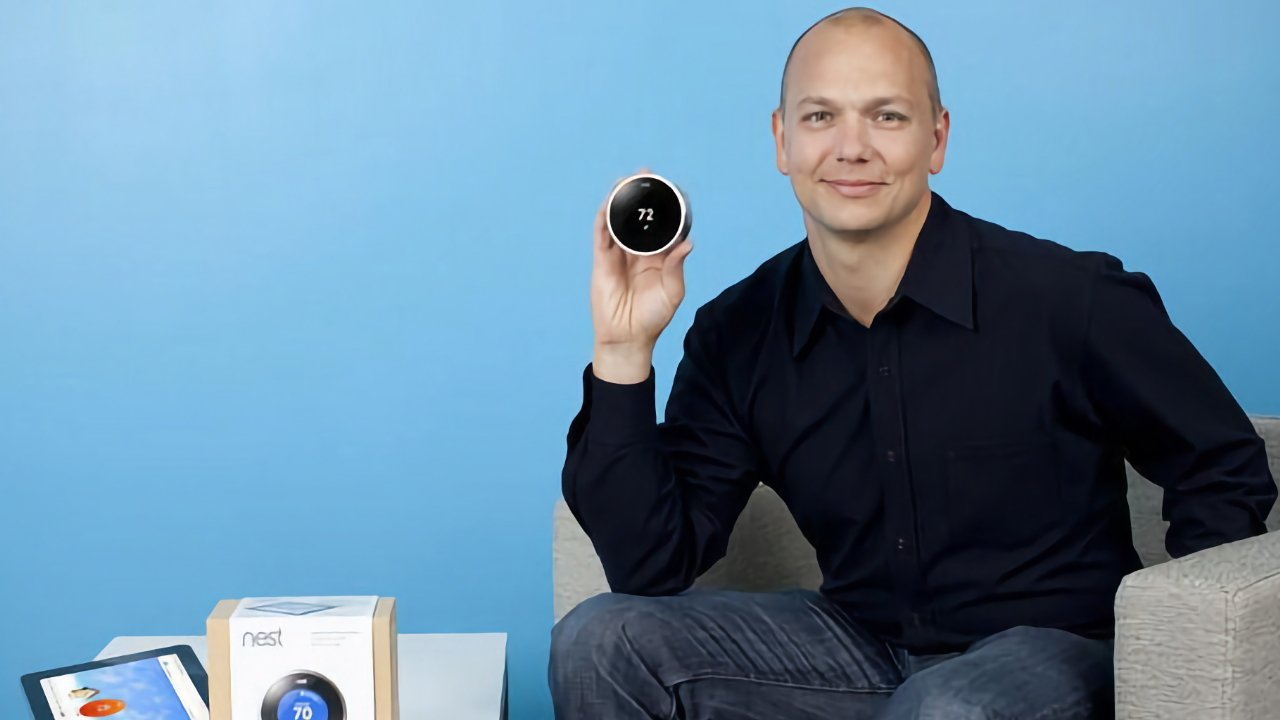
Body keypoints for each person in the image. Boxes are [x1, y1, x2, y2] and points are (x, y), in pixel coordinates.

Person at [549, 6, 1277, 719]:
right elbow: (650, 566)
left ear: (937, 138)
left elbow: (1221, 464)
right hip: (862, 648)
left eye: (887, 116)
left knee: (948, 704)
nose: (852, 147)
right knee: (601, 639)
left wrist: (1176, 637)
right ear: (781, 141)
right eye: (820, 117)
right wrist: (622, 351)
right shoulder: (739, 332)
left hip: (1056, 656)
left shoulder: (1068, 298)